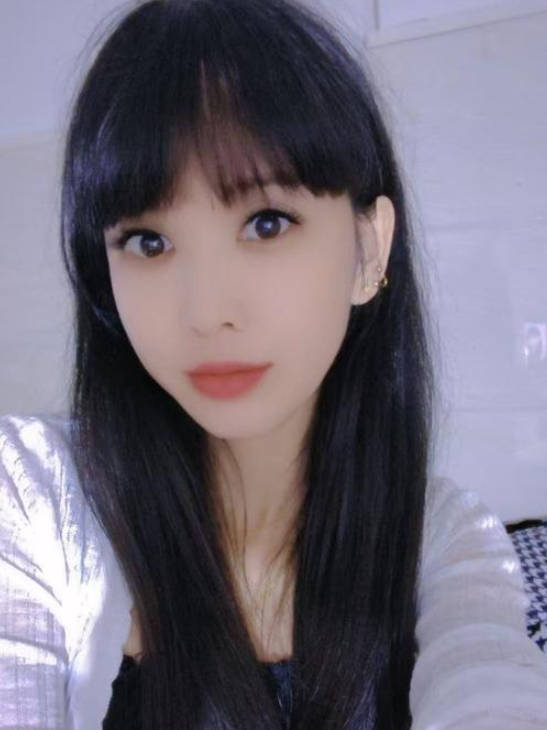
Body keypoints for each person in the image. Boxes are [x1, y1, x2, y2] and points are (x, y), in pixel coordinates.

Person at [1, 0, 546, 728]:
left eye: (266, 223)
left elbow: (491, 686)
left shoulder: (441, 539)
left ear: (368, 250)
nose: (206, 312)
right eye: (148, 242)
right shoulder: (36, 494)